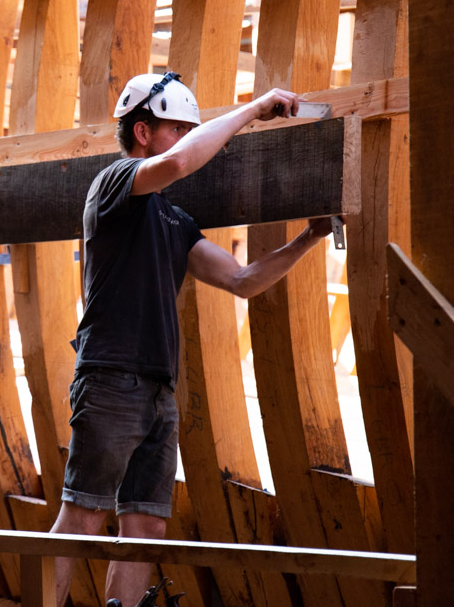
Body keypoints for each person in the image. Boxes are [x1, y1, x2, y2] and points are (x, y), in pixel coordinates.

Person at [49, 72, 334, 607]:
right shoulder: (112, 185)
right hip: (110, 377)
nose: (184, 139)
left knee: (145, 529)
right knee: (83, 515)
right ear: (141, 132)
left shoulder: (176, 221)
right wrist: (254, 108)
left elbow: (243, 281)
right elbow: (177, 164)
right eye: (176, 127)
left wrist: (310, 237)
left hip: (159, 389)